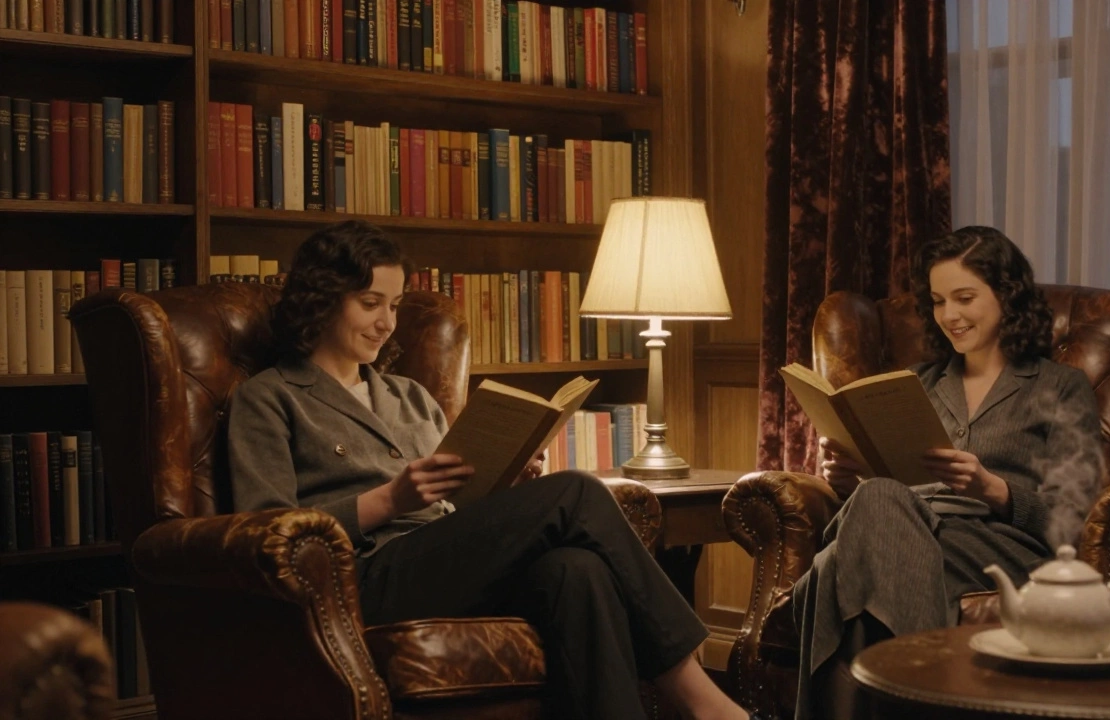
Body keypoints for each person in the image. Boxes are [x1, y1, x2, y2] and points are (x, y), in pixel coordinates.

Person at [228, 220, 757, 720]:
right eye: (370, 304)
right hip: (360, 580)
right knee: (576, 491)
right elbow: (267, 536)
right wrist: (388, 501)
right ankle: (702, 699)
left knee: (576, 571)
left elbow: (454, 509)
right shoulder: (270, 398)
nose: (387, 323)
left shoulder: (409, 396)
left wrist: (505, 485)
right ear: (322, 301)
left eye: (393, 305)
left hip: (446, 563)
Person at [791, 225, 1103, 719]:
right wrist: (847, 479)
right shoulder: (916, 383)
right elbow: (882, 492)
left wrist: (994, 489)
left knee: (837, 563)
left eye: (964, 298)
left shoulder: (1060, 386)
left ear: (1007, 294)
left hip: (995, 545)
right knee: (878, 500)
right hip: (900, 527)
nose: (949, 316)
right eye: (938, 302)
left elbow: (1075, 520)